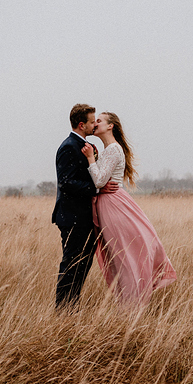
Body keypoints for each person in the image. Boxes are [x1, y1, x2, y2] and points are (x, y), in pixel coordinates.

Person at [82, 112, 177, 305]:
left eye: (99, 121)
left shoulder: (113, 150)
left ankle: (132, 307)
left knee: (123, 257)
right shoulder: (109, 149)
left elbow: (99, 180)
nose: (95, 124)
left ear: (111, 126)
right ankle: (128, 306)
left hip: (113, 205)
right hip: (109, 202)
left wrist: (91, 159)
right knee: (119, 258)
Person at [52, 104, 118, 309]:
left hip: (85, 218)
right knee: (71, 264)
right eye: (92, 121)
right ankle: (63, 310)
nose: (94, 124)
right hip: (72, 218)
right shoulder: (68, 146)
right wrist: (98, 189)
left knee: (82, 265)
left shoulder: (84, 146)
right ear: (82, 125)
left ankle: (73, 307)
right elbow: (66, 182)